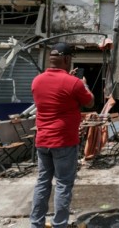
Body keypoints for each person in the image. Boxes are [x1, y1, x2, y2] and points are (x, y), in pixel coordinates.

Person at [30, 42, 94, 228]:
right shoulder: (74, 83)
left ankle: (36, 224)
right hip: (64, 141)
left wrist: (70, 80)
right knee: (64, 185)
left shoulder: (37, 81)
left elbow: (55, 94)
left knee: (42, 182)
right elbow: (89, 102)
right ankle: (60, 224)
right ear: (67, 59)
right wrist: (84, 85)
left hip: (42, 140)